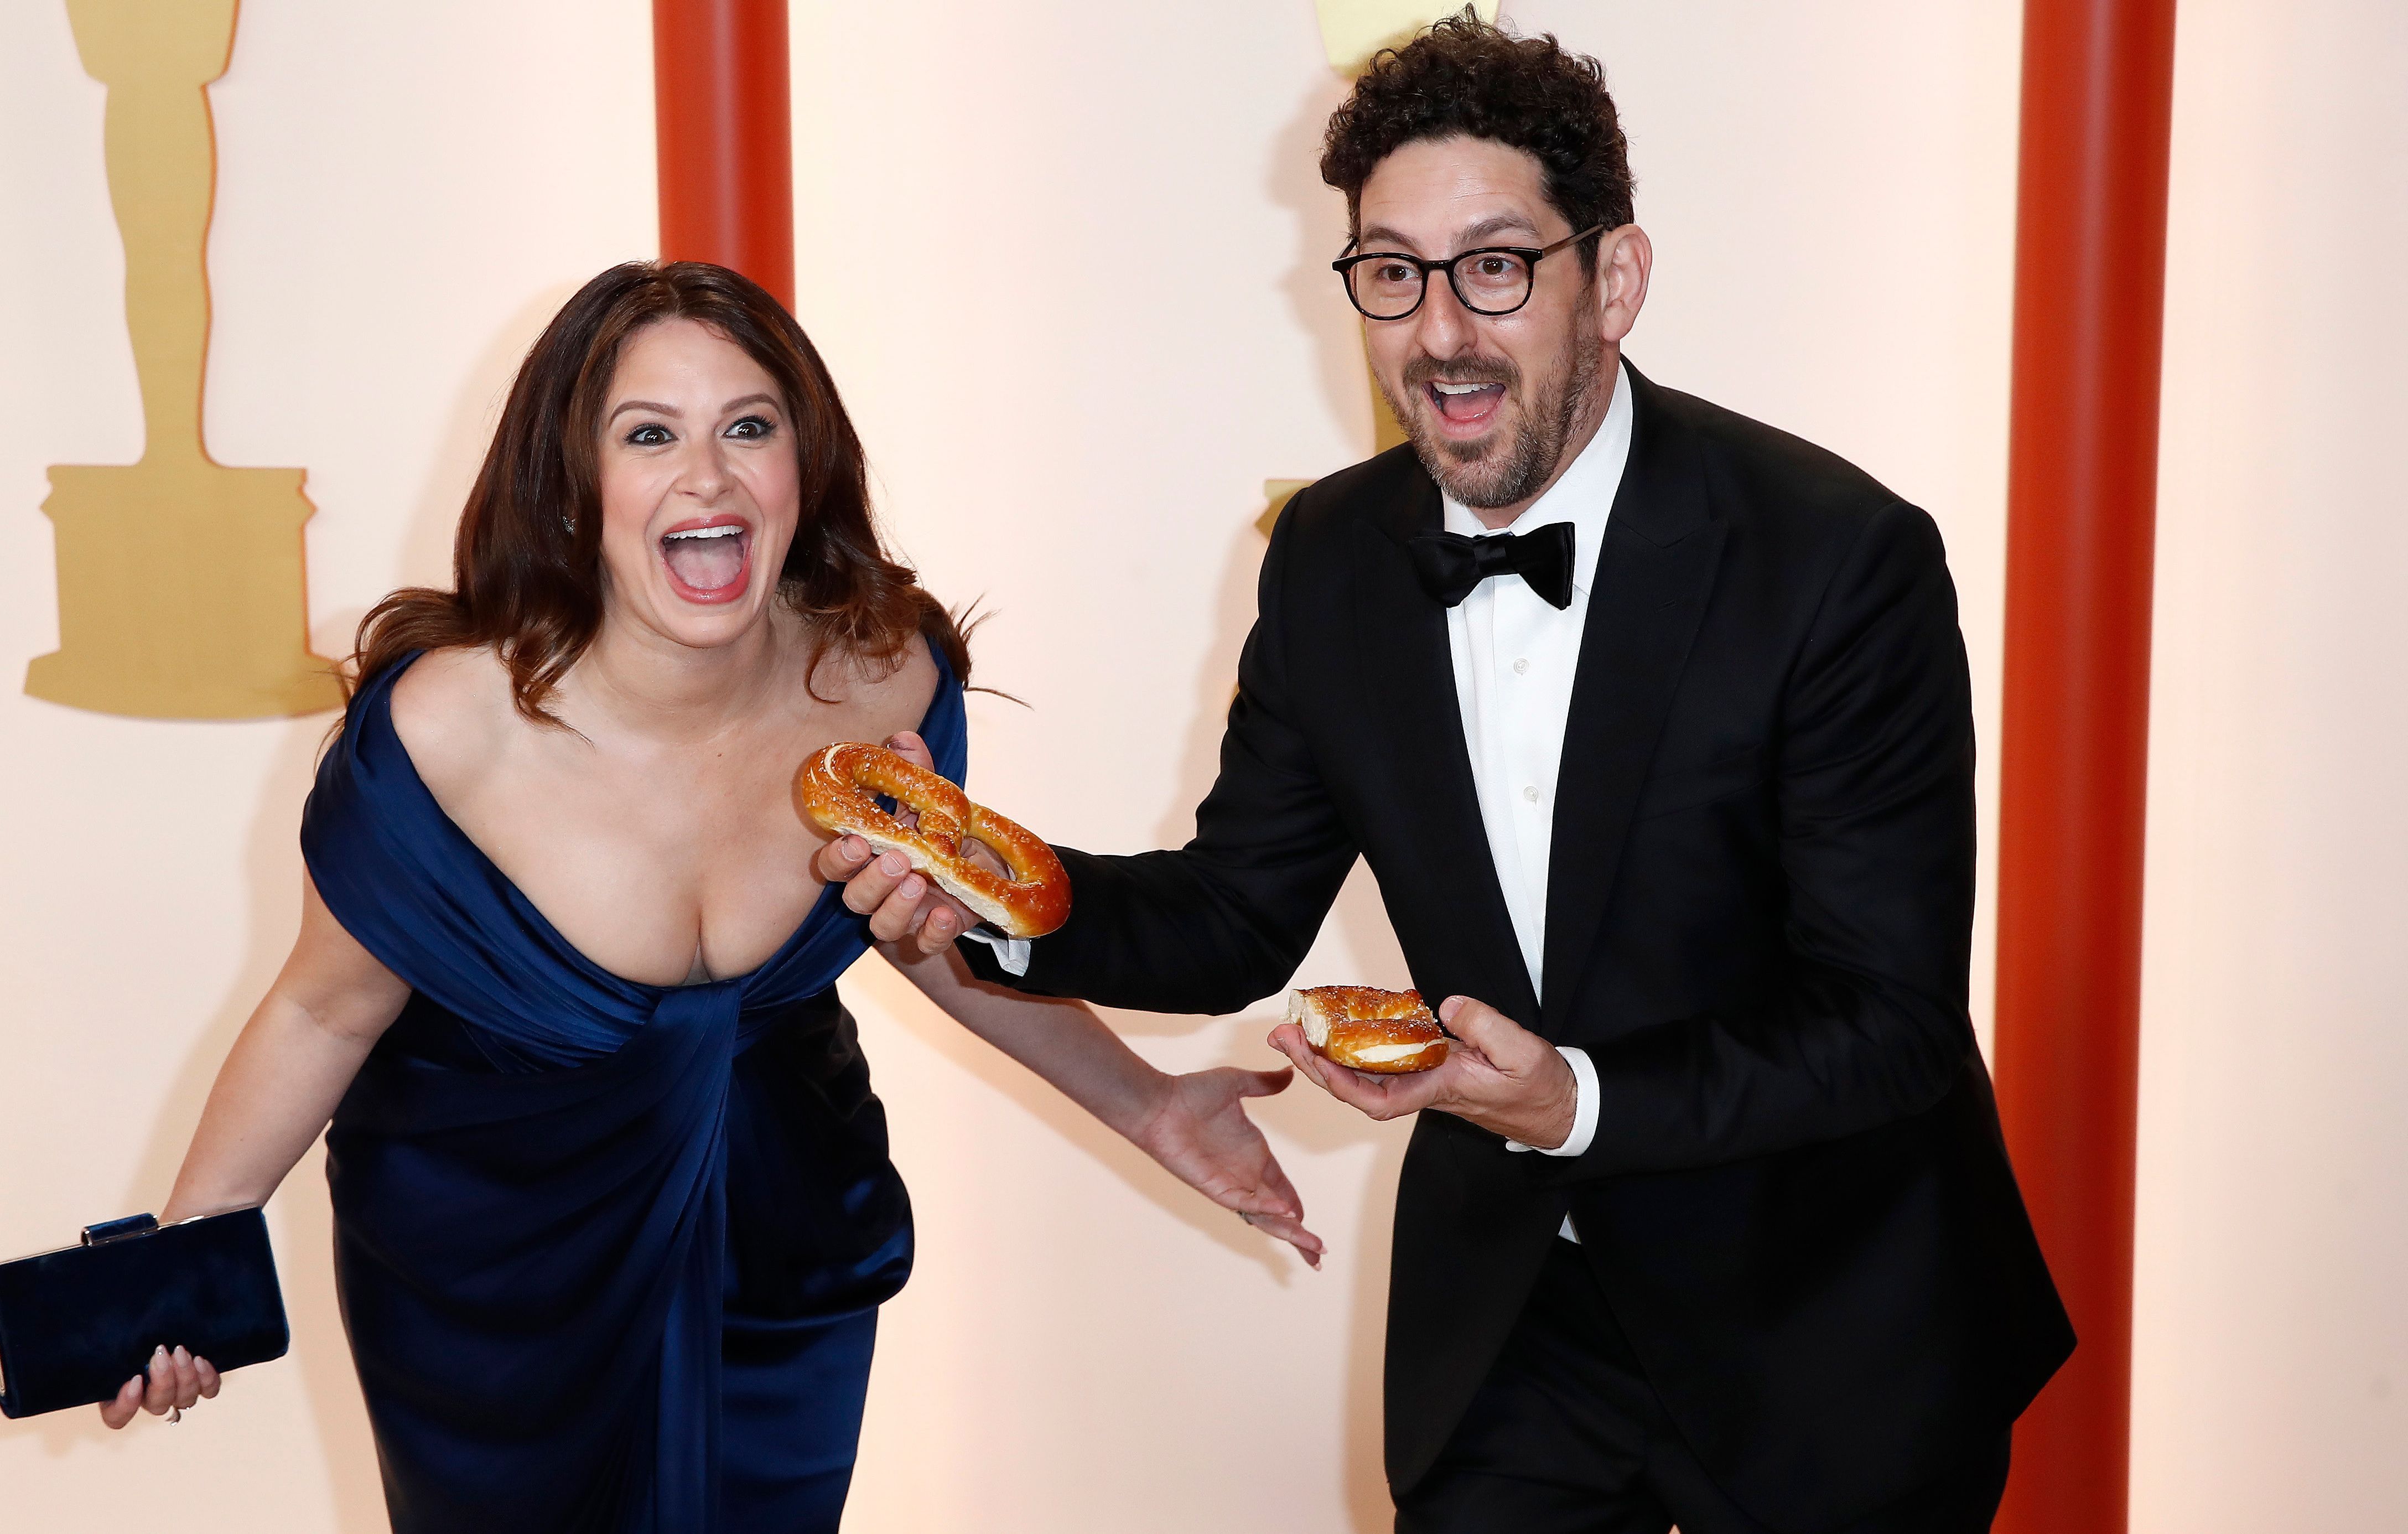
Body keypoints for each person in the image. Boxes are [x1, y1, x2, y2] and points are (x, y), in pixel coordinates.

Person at [829, 17, 2073, 1533]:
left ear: (1612, 279)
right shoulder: (1333, 560)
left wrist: (1573, 1098)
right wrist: (983, 888)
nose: (1439, 331)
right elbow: (1234, 907)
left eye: (1495, 266)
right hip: (1521, 1328)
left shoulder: (1837, 559)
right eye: (1391, 273)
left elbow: (1888, 1025)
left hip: (1827, 1318)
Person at [97, 260, 1322, 1532]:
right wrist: (190, 1257)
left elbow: (921, 931)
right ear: (575, 491)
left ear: (806, 468)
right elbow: (323, 1013)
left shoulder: (885, 683)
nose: (708, 476)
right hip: (495, 1277)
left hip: (780, 1228)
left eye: (749, 427)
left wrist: (1154, 1105)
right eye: (648, 436)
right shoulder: (445, 731)